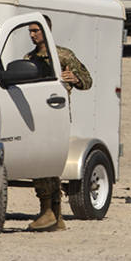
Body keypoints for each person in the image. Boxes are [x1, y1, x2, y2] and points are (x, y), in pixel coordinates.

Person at [22, 17, 91, 232]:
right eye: (30, 31)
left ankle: (48, 211)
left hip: (56, 115)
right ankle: (55, 216)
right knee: (43, 161)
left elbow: (87, 81)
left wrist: (74, 78)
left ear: (46, 31)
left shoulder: (62, 55)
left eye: (35, 31)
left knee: (47, 162)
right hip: (37, 115)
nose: (32, 35)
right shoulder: (29, 58)